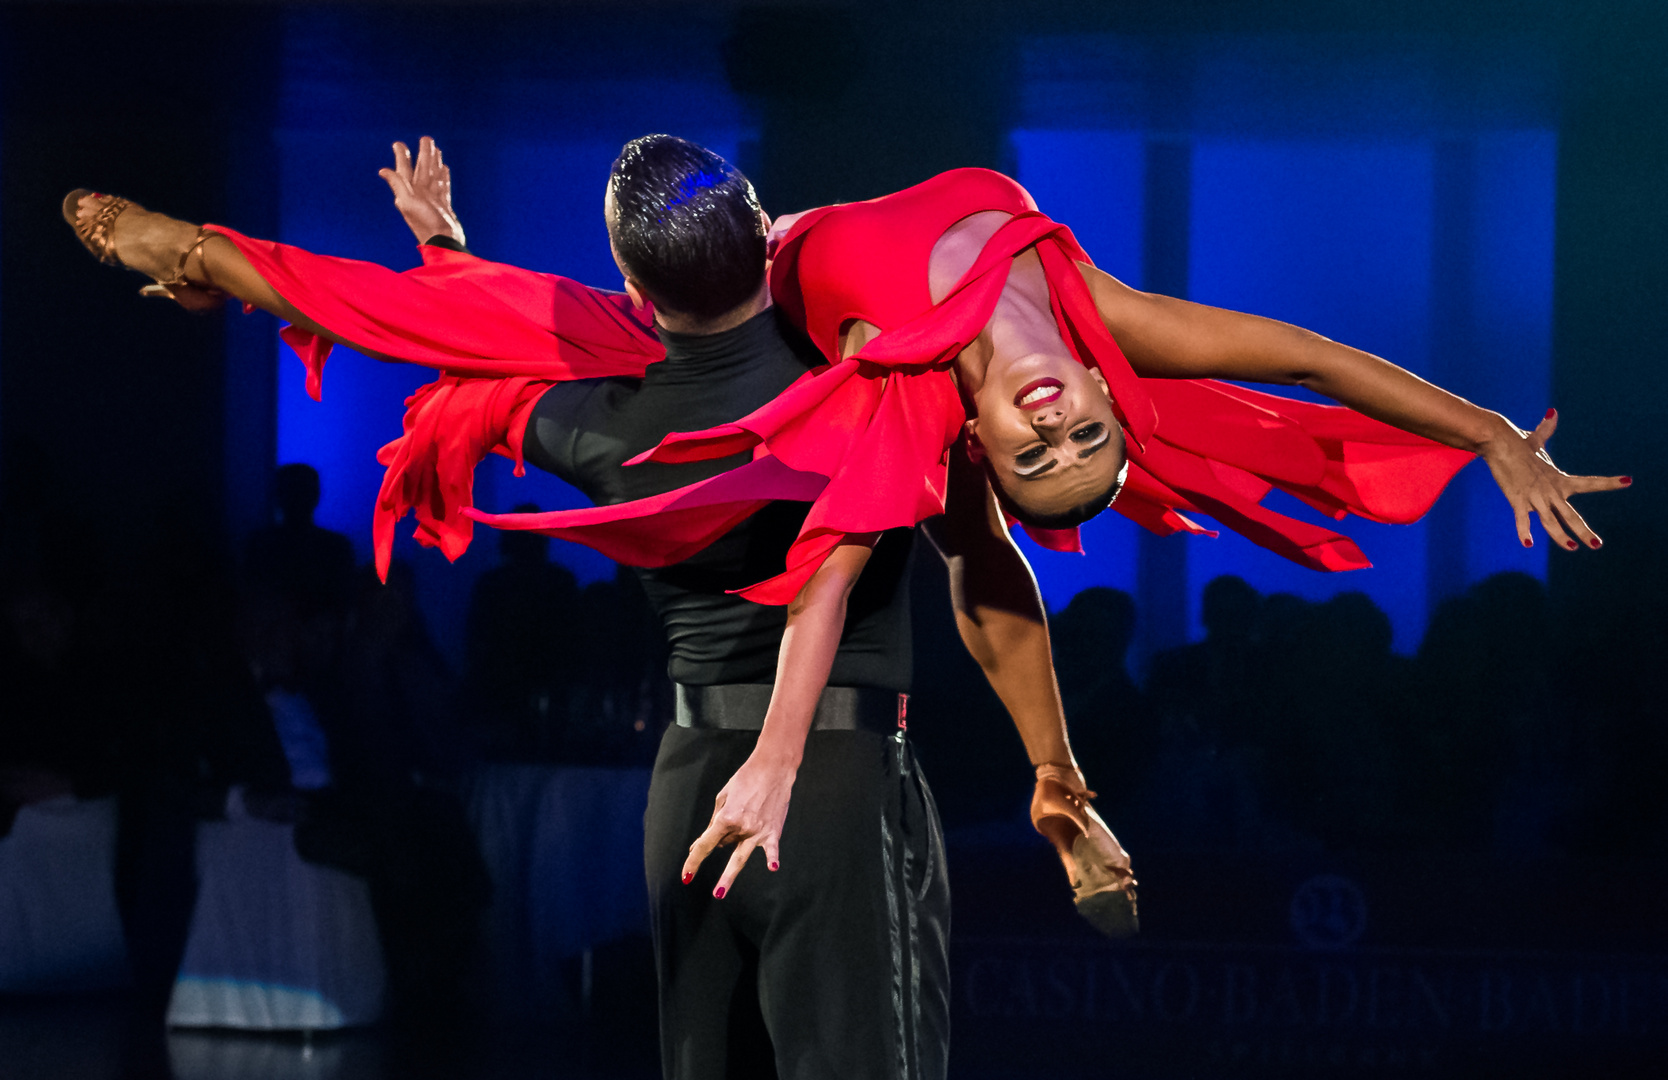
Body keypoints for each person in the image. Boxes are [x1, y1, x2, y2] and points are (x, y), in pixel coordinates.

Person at [64, 136, 1126, 1078]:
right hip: (838, 791)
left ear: (632, 282)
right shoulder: (869, 374)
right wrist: (1055, 771)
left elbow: (472, 343)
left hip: (687, 791)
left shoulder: (606, 430)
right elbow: (981, 568)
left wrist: (447, 264)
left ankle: (205, 254)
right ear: (767, 241)